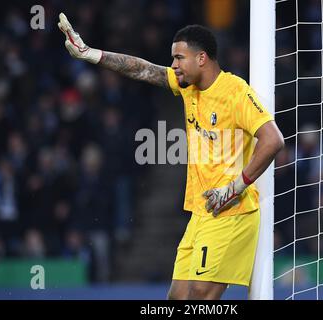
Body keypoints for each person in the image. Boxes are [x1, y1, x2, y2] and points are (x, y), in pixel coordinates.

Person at [58, 13, 284, 300]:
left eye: (179, 58)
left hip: (230, 213)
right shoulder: (188, 87)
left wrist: (235, 187)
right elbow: (143, 70)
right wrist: (91, 54)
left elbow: (273, 140)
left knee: (200, 296)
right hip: (201, 214)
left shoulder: (235, 92)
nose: (174, 65)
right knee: (177, 297)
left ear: (201, 58)